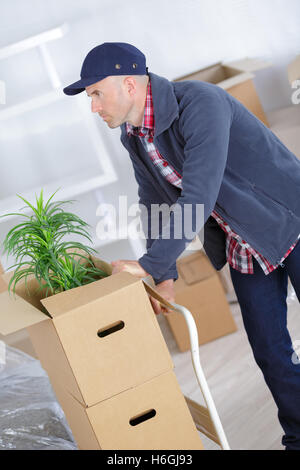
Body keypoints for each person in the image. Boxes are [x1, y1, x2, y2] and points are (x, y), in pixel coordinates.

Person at [63, 42, 300, 450]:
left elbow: (199, 194)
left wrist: (149, 264)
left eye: (97, 93)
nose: (94, 106)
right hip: (244, 244)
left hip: (289, 220)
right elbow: (153, 201)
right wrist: (164, 276)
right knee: (270, 351)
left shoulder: (202, 103)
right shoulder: (134, 136)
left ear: (129, 85)